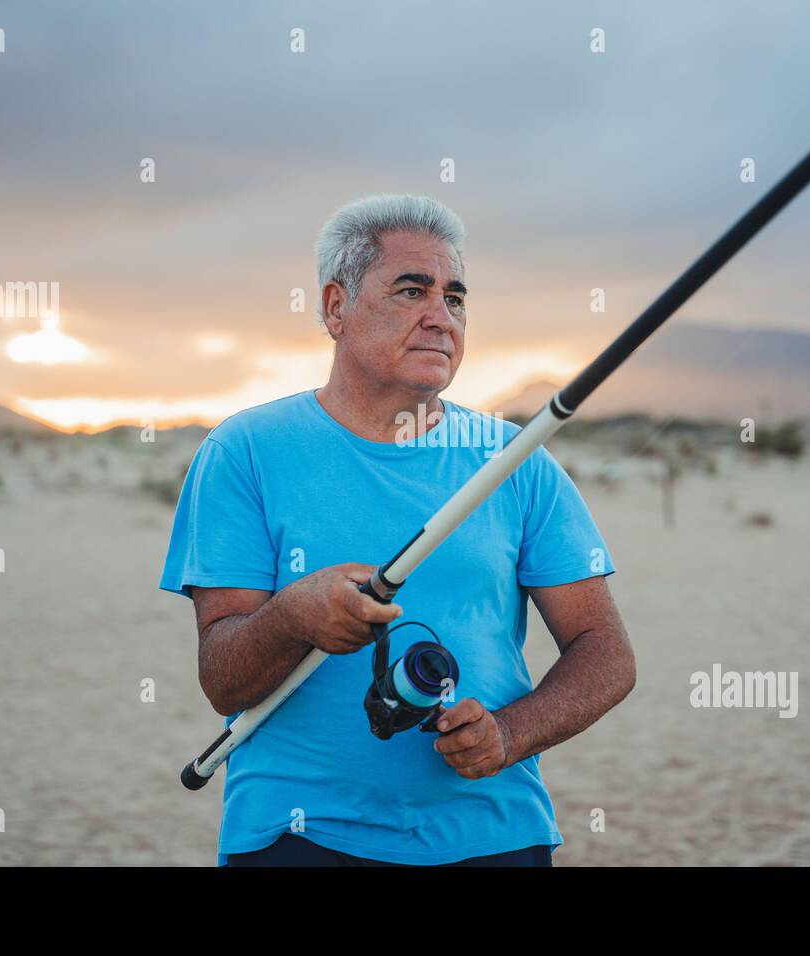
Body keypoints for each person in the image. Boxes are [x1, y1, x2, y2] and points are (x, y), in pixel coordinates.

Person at [160, 194, 635, 866]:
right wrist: (295, 616)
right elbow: (224, 683)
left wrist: (509, 732)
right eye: (412, 290)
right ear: (335, 308)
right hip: (299, 837)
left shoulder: (518, 462)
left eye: (456, 297)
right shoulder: (244, 452)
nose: (441, 317)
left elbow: (605, 652)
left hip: (494, 836)